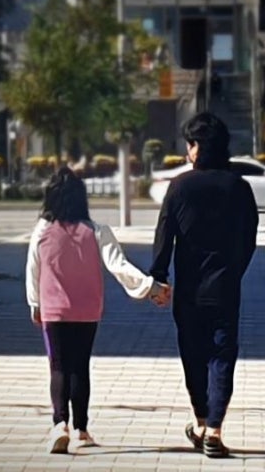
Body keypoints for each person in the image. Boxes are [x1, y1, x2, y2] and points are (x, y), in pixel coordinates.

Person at [25, 167, 171, 454]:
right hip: (87, 310)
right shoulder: (96, 231)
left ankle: (59, 425)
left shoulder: (42, 229)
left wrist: (35, 303)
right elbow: (119, 266)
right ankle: (81, 429)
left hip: (53, 311)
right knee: (80, 367)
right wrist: (151, 287)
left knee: (58, 367)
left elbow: (33, 268)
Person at [149, 112, 258, 458]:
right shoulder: (239, 187)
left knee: (193, 356)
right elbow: (250, 238)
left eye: (189, 144)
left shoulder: (180, 186)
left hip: (190, 290)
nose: (187, 151)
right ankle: (213, 429)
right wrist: (234, 271)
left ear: (197, 147)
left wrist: (159, 278)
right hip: (225, 288)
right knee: (222, 356)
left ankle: (201, 419)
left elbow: (164, 235)